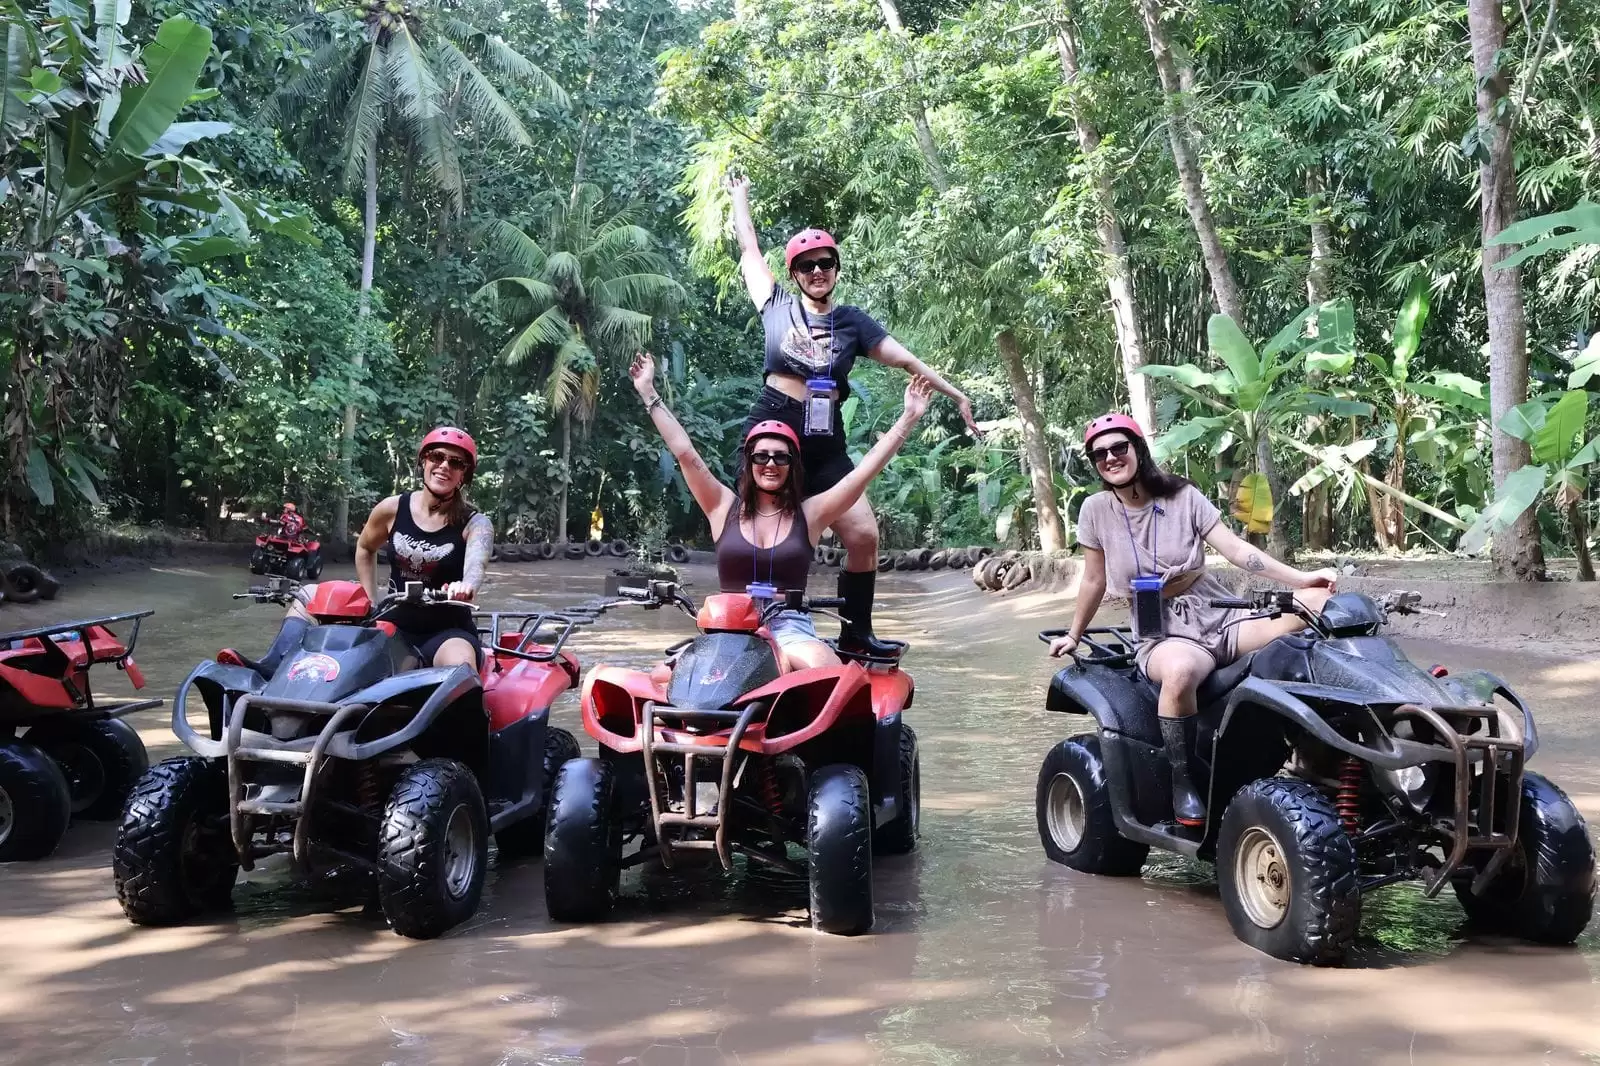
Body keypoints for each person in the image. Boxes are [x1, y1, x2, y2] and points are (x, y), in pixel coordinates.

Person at [728, 173, 981, 657]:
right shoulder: (775, 304)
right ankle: (766, 627)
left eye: (825, 263)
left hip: (826, 439)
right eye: (806, 266)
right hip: (776, 429)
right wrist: (741, 197)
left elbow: (908, 360)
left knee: (864, 535)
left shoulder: (853, 322)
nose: (817, 271)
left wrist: (957, 396)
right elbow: (749, 252)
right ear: (796, 274)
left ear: (836, 270)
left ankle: (855, 632)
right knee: (778, 533)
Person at [1046, 413, 1338, 828]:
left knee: (1320, 606)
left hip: (1218, 612)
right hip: (1161, 630)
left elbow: (1239, 551)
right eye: (1099, 454)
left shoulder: (1182, 495)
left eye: (1118, 448)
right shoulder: (1095, 510)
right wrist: (1074, 635)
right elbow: (1093, 578)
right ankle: (1184, 781)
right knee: (1181, 671)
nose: (1110, 458)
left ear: (1138, 449)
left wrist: (1304, 580)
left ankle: (1322, 755)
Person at [630, 350, 932, 670]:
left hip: (789, 628)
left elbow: (861, 475)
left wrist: (908, 417)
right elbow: (685, 453)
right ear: (750, 462)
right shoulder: (722, 507)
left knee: (828, 673)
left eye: (780, 457)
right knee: (662, 677)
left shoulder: (810, 515)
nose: (771, 464)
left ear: (792, 465)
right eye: (762, 457)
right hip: (727, 627)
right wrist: (648, 392)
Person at [221, 427, 494, 675]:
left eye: (456, 462)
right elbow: (365, 547)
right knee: (309, 594)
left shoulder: (475, 523)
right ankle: (271, 667)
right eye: (437, 456)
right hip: (394, 622)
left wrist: (465, 586)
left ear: (463, 475)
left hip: (446, 631)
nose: (444, 466)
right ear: (424, 461)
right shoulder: (392, 508)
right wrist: (370, 600)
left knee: (461, 668)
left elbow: (475, 566)